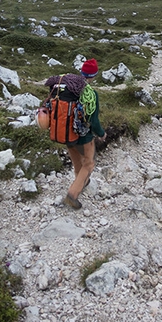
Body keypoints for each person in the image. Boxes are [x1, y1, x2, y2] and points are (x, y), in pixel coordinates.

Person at [49, 58, 106, 210]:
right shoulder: (90, 93)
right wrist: (101, 133)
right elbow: (93, 120)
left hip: (65, 132)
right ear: (94, 75)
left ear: (81, 72)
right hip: (83, 136)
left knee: (77, 160)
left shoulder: (68, 89)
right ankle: (72, 195)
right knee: (89, 163)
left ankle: (81, 182)